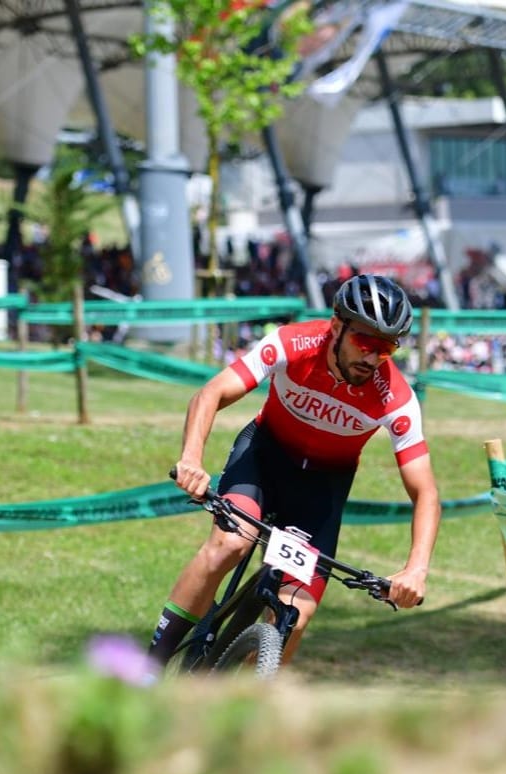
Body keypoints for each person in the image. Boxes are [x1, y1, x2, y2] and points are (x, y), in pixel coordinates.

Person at [150, 273, 440, 667]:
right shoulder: (293, 343)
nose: (373, 358)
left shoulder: (395, 398)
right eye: (365, 342)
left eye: (386, 348)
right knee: (230, 544)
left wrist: (416, 569)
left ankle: (248, 707)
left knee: (296, 614)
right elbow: (211, 393)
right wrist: (191, 459)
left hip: (320, 489)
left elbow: (425, 492)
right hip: (263, 459)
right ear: (336, 327)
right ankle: (150, 666)